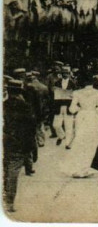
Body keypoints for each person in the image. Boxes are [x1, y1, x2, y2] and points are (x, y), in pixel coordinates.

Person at [4, 78, 37, 213]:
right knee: (13, 172)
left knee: (5, 170)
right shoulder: (26, 107)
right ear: (20, 92)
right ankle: (9, 202)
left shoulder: (4, 105)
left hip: (5, 141)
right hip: (17, 144)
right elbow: (31, 129)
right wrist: (32, 149)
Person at [52, 66, 77, 147]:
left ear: (69, 74)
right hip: (59, 106)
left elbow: (76, 95)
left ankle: (68, 143)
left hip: (68, 106)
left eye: (66, 73)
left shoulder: (73, 83)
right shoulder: (57, 83)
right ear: (61, 74)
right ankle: (61, 136)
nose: (65, 75)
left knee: (68, 126)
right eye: (63, 73)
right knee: (56, 125)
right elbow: (54, 94)